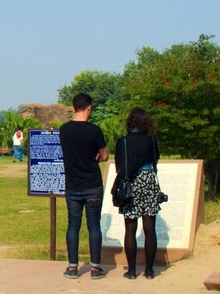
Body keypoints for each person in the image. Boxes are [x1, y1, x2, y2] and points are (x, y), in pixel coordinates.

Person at [59, 93, 109, 280]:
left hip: (72, 184)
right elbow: (104, 155)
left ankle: (73, 267)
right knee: (94, 225)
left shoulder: (64, 130)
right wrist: (97, 155)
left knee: (73, 225)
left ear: (73, 108)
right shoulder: (95, 130)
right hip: (92, 184)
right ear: (89, 108)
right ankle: (95, 268)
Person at [115, 107, 162, 279]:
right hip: (148, 182)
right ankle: (149, 271)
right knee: (150, 228)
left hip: (131, 185)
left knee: (130, 227)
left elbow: (119, 165)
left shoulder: (123, 142)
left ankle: (132, 270)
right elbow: (155, 160)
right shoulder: (151, 140)